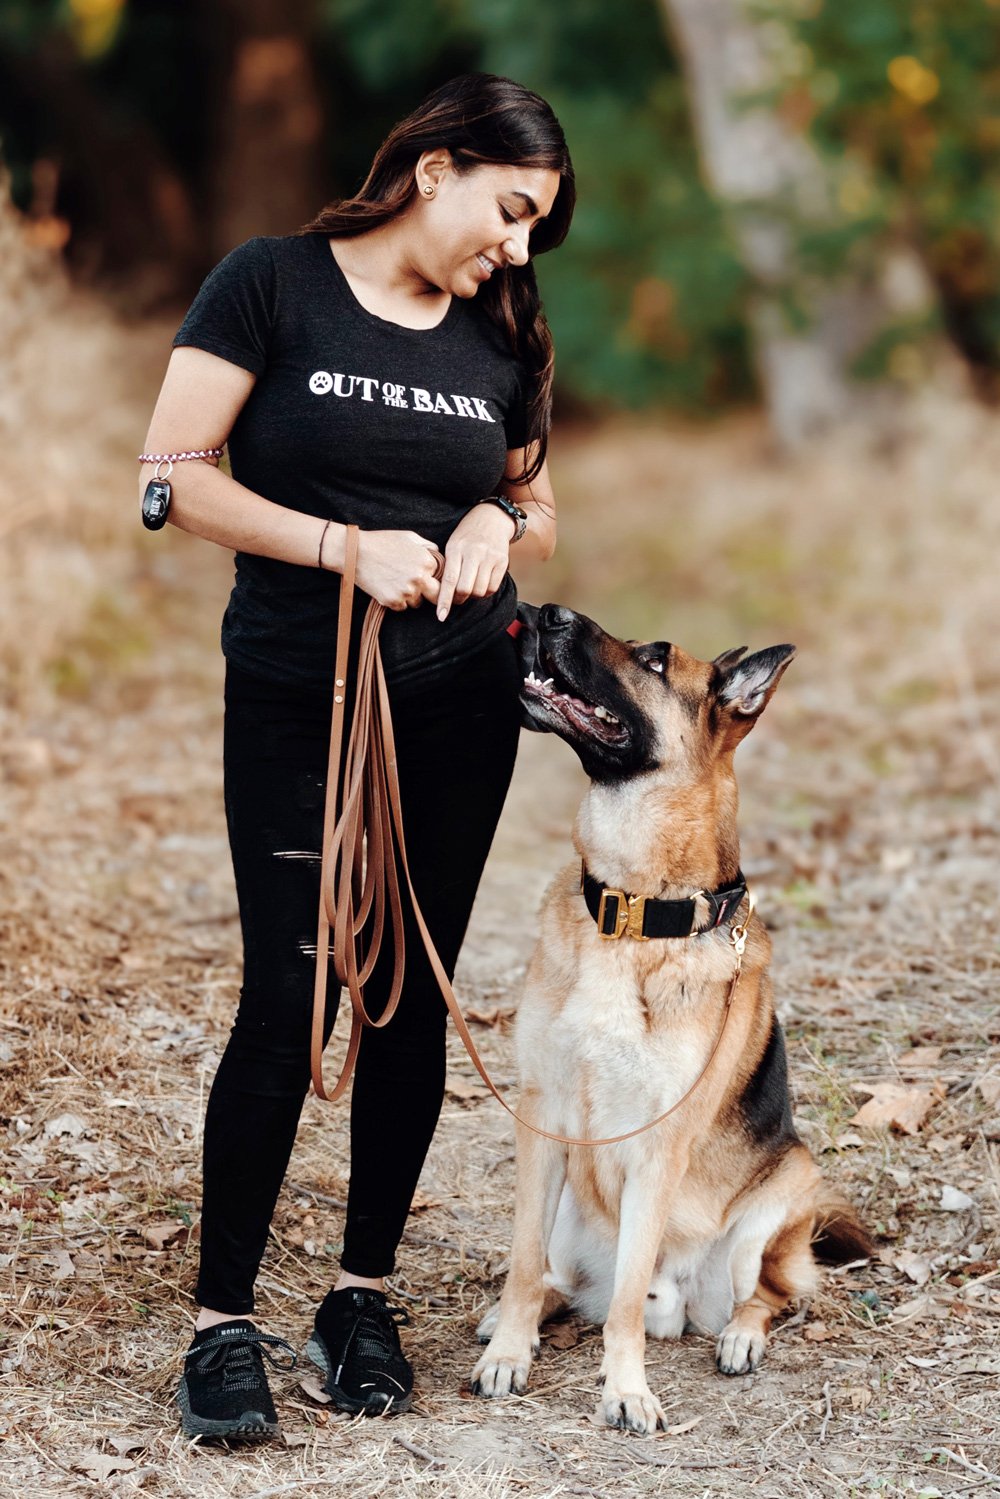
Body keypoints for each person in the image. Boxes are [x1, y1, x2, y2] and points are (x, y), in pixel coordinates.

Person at [138, 72, 574, 1442]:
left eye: (535, 230)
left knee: (408, 992)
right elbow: (171, 473)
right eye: (507, 211)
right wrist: (340, 545)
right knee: (294, 991)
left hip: (460, 689)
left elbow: (533, 490)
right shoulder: (270, 284)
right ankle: (221, 1324)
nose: (514, 247)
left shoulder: (503, 328)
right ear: (436, 166)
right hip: (296, 683)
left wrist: (505, 525)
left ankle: (359, 1296)